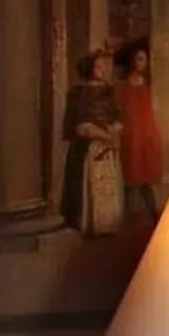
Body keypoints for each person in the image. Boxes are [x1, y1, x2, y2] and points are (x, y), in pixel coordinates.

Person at [60, 48, 123, 237]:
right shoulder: (78, 93)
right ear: (89, 68)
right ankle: (88, 224)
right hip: (87, 148)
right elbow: (78, 125)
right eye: (98, 66)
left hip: (107, 148)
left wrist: (114, 131)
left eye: (104, 66)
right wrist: (101, 135)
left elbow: (117, 116)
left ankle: (107, 225)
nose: (103, 70)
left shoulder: (109, 91)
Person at [112, 37, 165, 219]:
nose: (142, 63)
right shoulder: (123, 87)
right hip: (130, 134)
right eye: (139, 59)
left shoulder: (146, 86)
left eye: (144, 59)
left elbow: (148, 112)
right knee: (130, 178)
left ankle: (152, 214)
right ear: (132, 61)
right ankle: (128, 217)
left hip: (146, 133)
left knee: (144, 179)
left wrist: (153, 135)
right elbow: (121, 111)